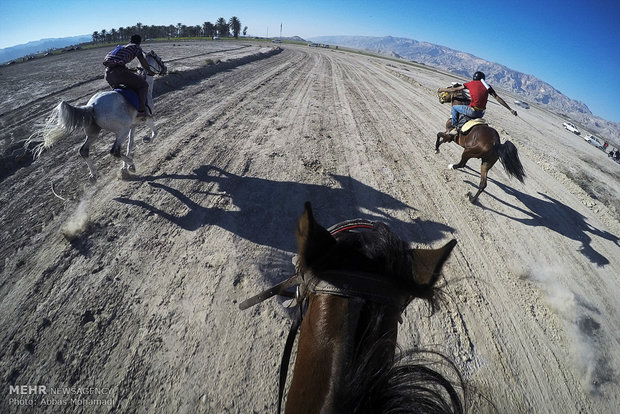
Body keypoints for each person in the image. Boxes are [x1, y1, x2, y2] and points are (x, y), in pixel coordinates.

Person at [438, 71, 517, 133]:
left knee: (455, 108)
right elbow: (498, 98)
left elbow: (454, 89)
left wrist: (442, 89)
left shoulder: (470, 84)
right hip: (481, 113)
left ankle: (454, 127)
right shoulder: (488, 87)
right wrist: (510, 109)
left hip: (473, 111)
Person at [103, 34, 155, 117]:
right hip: (118, 73)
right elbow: (142, 60)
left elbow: (115, 63)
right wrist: (149, 71)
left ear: (130, 40)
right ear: (139, 42)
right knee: (143, 85)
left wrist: (131, 70)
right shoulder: (136, 47)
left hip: (108, 74)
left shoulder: (119, 48)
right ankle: (141, 111)